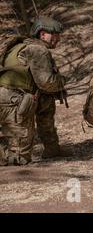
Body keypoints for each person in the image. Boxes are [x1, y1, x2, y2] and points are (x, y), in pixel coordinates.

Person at [0, 17, 66, 166]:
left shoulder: (18, 47)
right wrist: (62, 81)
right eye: (54, 34)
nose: (58, 38)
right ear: (42, 34)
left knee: (46, 101)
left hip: (8, 98)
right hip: (15, 101)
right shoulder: (38, 49)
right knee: (18, 159)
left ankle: (52, 149)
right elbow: (47, 82)